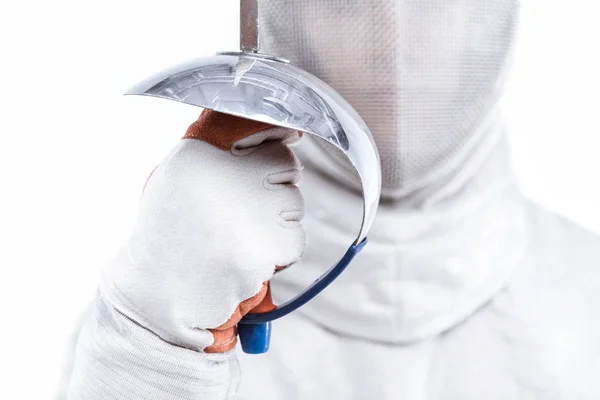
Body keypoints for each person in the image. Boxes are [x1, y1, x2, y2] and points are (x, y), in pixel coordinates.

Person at [58, 1, 600, 398]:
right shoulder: (162, 304)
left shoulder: (586, 299)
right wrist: (152, 356)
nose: (395, 44)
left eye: (432, 3)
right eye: (345, 3)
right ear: (278, 21)